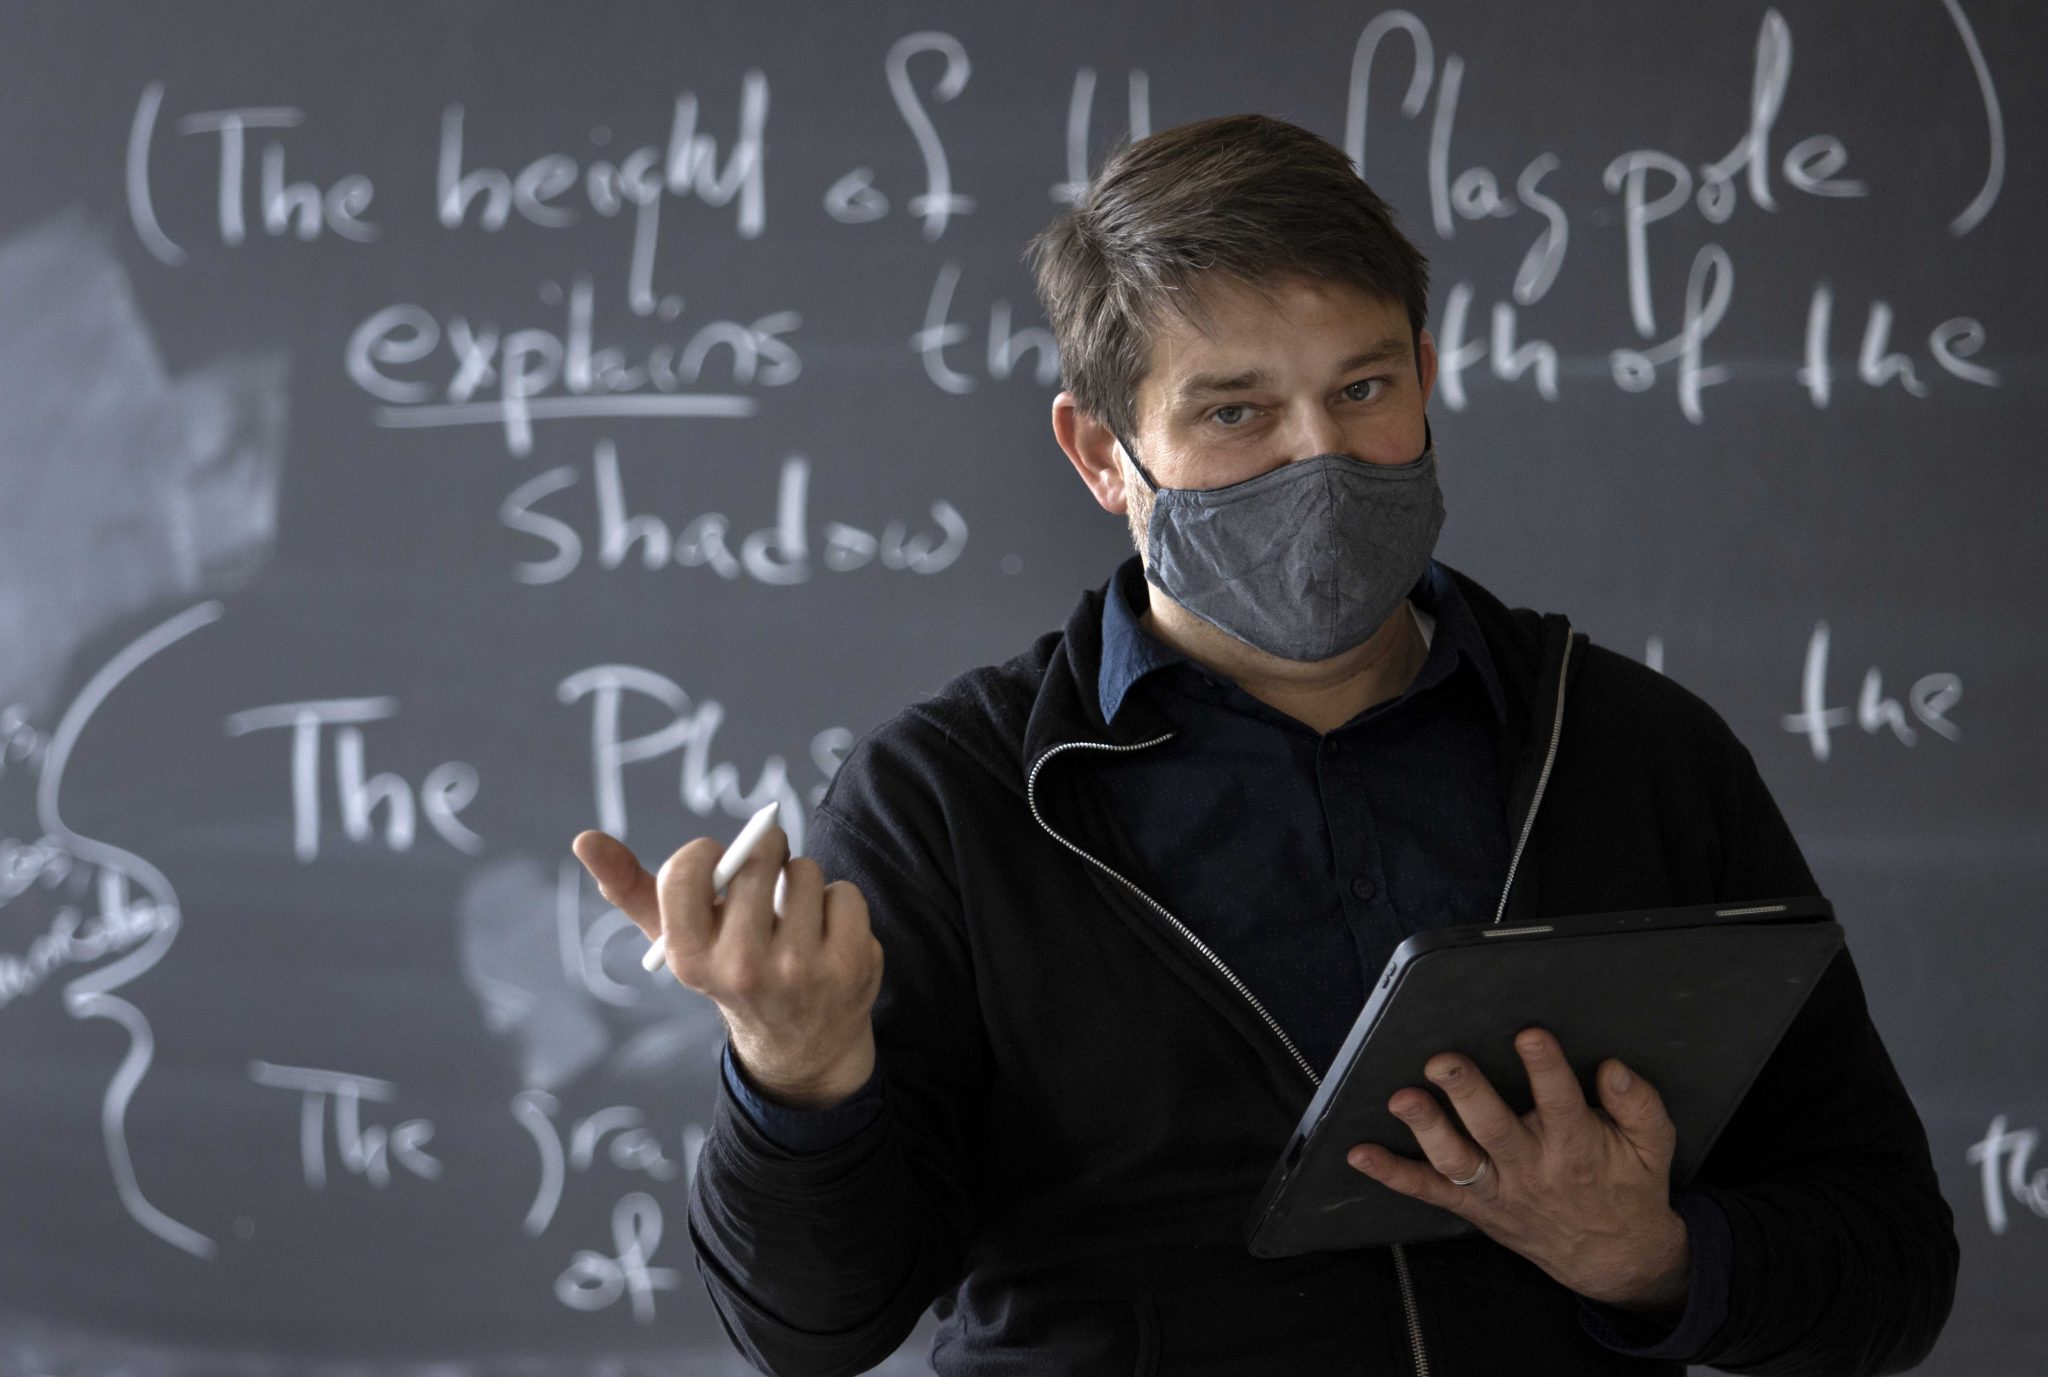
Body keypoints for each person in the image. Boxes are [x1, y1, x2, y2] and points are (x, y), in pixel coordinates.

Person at [573, 114, 1958, 1375]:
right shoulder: (954, 798)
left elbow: (1892, 1262)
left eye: (1363, 390)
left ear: (1426, 371)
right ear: (1101, 455)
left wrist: (1649, 1256)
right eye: (1235, 412)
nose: (1321, 460)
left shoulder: (1632, 751)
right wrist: (796, 1067)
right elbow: (811, 1326)